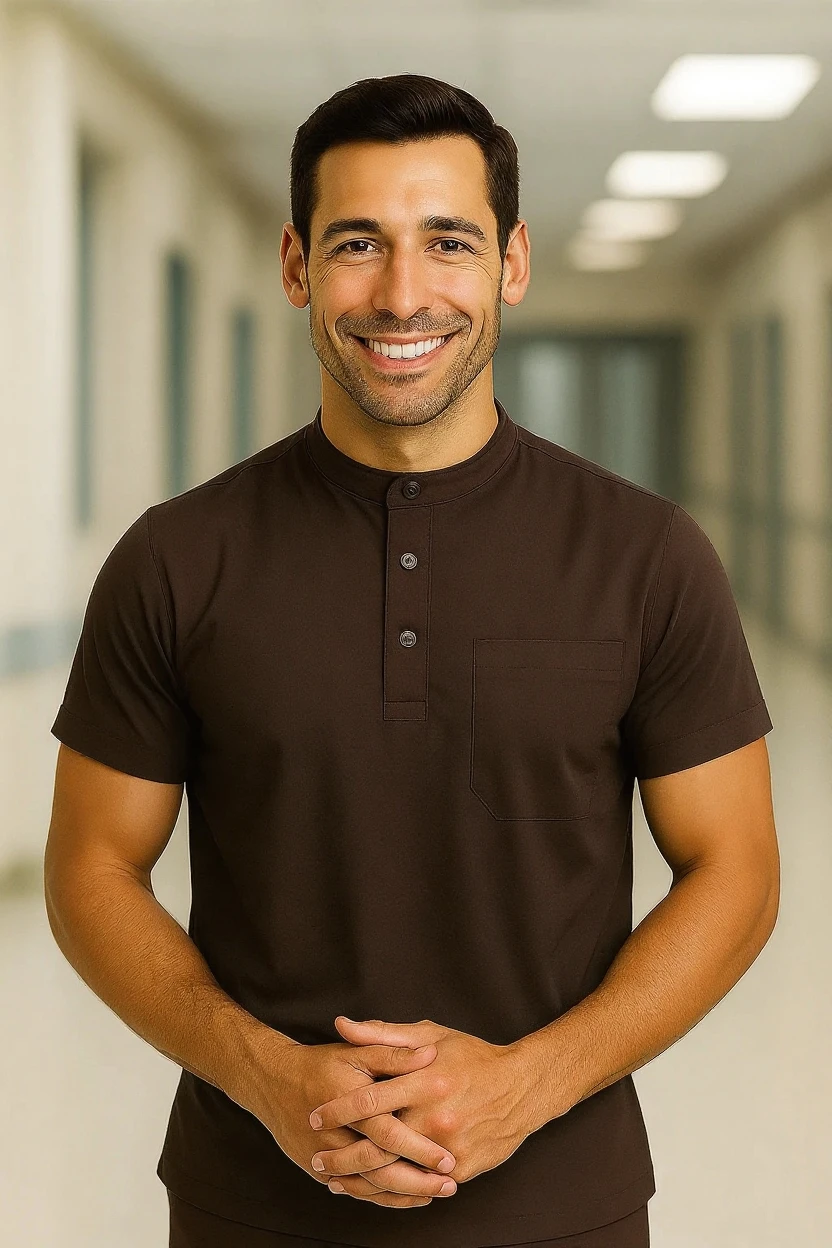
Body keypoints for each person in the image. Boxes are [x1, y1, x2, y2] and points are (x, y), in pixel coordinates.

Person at [44, 74, 780, 1248]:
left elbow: (735, 871)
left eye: (448, 241)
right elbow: (90, 870)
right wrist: (268, 1077)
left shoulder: (647, 556)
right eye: (356, 244)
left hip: (562, 1209)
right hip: (253, 1206)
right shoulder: (177, 558)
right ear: (295, 266)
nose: (401, 293)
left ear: (512, 262)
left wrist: (526, 1085)